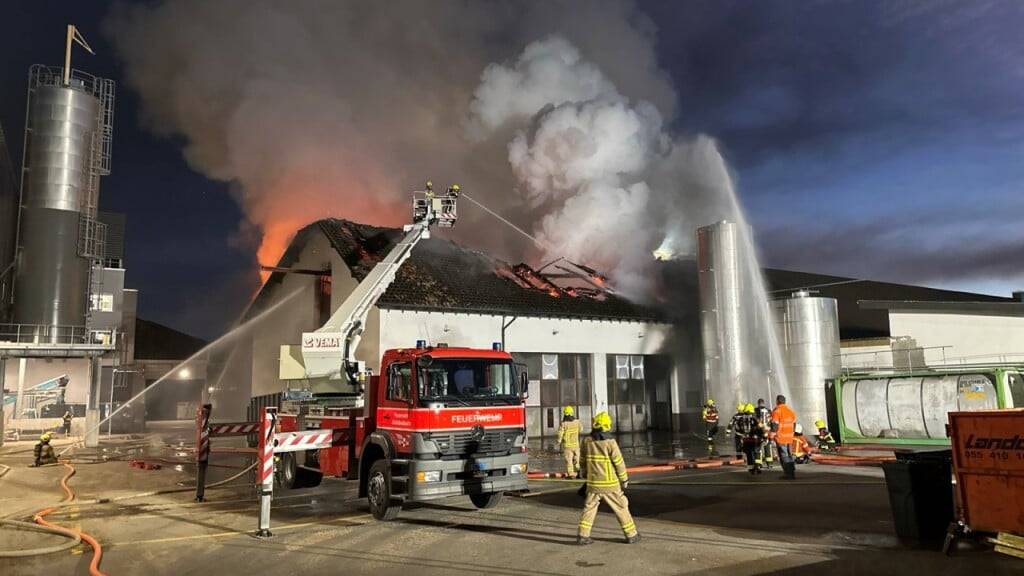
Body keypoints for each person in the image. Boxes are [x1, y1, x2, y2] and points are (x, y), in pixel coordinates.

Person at [577, 411, 639, 545]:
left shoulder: (587, 441)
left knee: (589, 508)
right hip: (610, 484)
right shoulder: (610, 443)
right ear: (607, 426)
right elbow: (619, 463)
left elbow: (582, 460)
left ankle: (583, 535)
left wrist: (584, 473)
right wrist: (624, 479)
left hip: (593, 484)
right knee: (621, 507)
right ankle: (631, 534)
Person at [771, 395, 798, 479]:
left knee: (784, 455)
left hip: (781, 437)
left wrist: (771, 435)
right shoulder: (790, 411)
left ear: (777, 401)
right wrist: (792, 433)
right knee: (789, 454)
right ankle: (792, 472)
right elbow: (794, 424)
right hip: (789, 437)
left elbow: (774, 425)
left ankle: (788, 473)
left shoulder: (777, 411)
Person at [735, 403, 764, 474]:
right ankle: (757, 466)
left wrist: (741, 435)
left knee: (749, 453)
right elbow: (760, 427)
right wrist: (762, 435)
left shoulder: (741, 418)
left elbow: (738, 429)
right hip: (755, 438)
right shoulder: (754, 418)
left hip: (746, 439)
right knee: (757, 452)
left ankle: (751, 469)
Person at [557, 406, 581, 478]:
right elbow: (581, 429)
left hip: (568, 446)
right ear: (572, 413)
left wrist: (559, 441)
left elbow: (560, 433)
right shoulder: (577, 422)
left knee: (569, 460)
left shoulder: (563, 423)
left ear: (564, 414)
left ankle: (571, 474)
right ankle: (579, 471)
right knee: (577, 459)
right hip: (576, 445)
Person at [754, 399, 774, 469]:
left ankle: (758, 464)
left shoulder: (755, 410)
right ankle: (769, 463)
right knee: (768, 447)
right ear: (763, 403)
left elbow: (754, 421)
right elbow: (771, 421)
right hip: (767, 432)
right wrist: (771, 430)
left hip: (758, 432)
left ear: (758, 403)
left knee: (758, 448)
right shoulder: (769, 410)